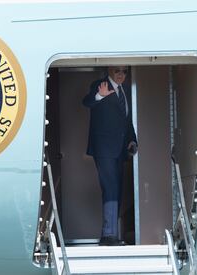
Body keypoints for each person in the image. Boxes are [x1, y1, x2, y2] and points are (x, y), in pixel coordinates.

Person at [83, 66, 138, 246]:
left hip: (120, 150)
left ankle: (111, 234)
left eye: (124, 71)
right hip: (104, 149)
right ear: (109, 71)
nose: (121, 74)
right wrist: (100, 95)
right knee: (111, 189)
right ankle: (108, 236)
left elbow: (126, 121)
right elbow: (87, 102)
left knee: (117, 190)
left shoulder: (125, 91)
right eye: (117, 71)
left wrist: (132, 140)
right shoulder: (101, 84)